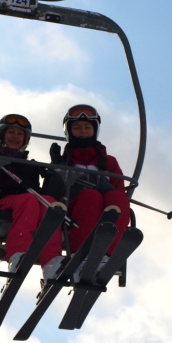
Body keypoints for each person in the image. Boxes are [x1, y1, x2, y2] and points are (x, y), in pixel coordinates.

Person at [0, 113, 65, 280]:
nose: (15, 137)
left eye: (20, 134)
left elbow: (38, 194)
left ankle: (51, 261)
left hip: (25, 206)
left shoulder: (28, 166)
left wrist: (54, 177)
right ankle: (17, 254)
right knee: (29, 200)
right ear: (1, 135)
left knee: (50, 203)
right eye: (11, 132)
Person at [50, 104, 130, 256]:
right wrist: (58, 170)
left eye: (87, 127)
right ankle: (80, 253)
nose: (83, 131)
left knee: (117, 199)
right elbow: (53, 193)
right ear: (69, 131)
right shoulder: (66, 160)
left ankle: (107, 253)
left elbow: (119, 190)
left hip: (103, 209)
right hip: (73, 210)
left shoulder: (109, 162)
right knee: (91, 196)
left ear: (95, 130)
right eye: (77, 128)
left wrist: (109, 191)